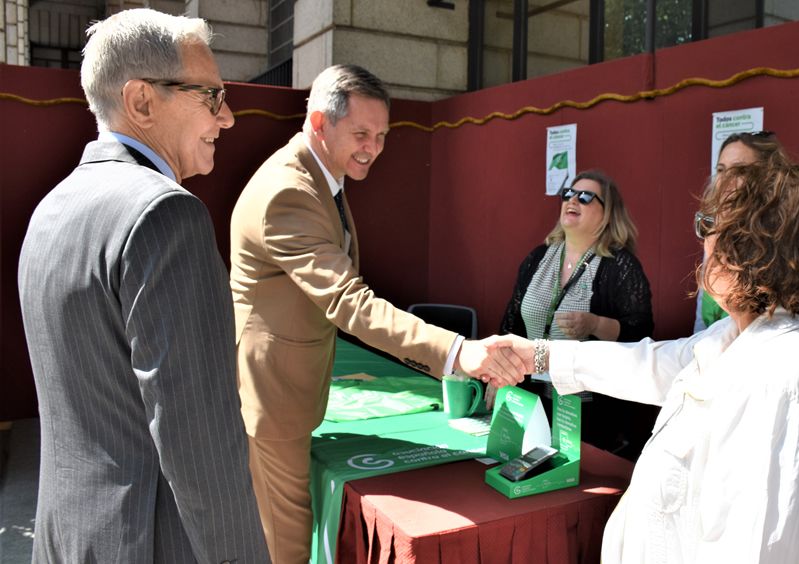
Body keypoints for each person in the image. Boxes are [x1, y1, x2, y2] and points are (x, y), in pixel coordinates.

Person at [495, 159, 799, 562]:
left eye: (711, 224)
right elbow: (653, 364)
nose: (703, 240)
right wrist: (537, 355)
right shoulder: (743, 335)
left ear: (761, 248)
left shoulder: (790, 378)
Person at [229, 64, 527, 562]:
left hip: (292, 381)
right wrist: (458, 351)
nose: (374, 147)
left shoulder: (317, 176)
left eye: (383, 135)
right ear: (320, 122)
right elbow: (349, 303)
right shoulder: (291, 191)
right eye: (362, 134)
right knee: (286, 539)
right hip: (274, 392)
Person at [17, 9, 269, 563]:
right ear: (141, 101)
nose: (226, 118)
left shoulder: (49, 208)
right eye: (211, 95)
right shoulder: (166, 214)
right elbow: (200, 442)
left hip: (69, 537)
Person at [498, 169, 655, 458]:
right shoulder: (537, 259)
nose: (573, 200)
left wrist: (595, 324)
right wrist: (498, 373)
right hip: (533, 402)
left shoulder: (621, 266)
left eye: (585, 197)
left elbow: (641, 334)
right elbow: (512, 323)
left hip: (591, 411)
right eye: (568, 194)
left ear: (607, 214)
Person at [694, 130, 787, 332]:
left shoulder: (780, 238)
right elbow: (702, 324)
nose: (726, 180)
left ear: (768, 177)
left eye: (740, 171)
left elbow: (764, 326)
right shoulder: (716, 232)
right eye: (720, 170)